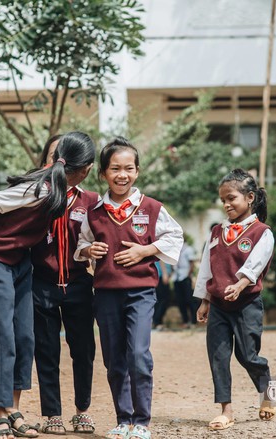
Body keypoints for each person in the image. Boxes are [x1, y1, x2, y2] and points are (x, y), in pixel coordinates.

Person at [0, 132, 96, 439]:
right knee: (4, 336)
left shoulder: (63, 190)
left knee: (25, 337)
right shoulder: (40, 189)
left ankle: (13, 410)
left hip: (20, 263)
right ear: (86, 168)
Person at [75, 137, 183, 439]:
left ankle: (142, 421)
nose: (122, 175)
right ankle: (123, 419)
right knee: (113, 359)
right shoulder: (94, 211)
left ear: (137, 171)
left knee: (138, 354)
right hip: (106, 293)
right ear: (103, 173)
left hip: (141, 292)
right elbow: (82, 242)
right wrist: (88, 250)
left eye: (129, 168)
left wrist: (144, 251)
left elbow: (175, 237)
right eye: (115, 169)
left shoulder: (151, 207)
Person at [193, 169, 276, 431]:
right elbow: (207, 266)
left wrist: (240, 284)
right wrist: (205, 299)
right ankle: (226, 410)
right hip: (219, 305)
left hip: (246, 305)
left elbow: (257, 263)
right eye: (223, 201)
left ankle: (267, 393)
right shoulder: (217, 232)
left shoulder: (262, 232)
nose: (227, 205)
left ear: (250, 197)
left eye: (232, 198)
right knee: (218, 356)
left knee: (248, 355)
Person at [30, 135, 99, 434]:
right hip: (40, 284)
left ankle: (82, 410)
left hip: (79, 284)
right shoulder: (33, 195)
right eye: (52, 154)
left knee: (83, 349)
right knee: (46, 350)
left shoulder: (92, 201)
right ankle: (52, 414)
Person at [173, 236, 199, 327]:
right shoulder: (175, 249)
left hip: (185, 276)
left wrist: (188, 275)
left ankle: (193, 321)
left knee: (189, 299)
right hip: (177, 277)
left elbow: (191, 263)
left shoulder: (188, 249)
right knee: (180, 301)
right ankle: (185, 320)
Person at [152, 260, 172, 330]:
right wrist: (165, 273)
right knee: (163, 300)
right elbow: (162, 259)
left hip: (160, 276)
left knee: (161, 300)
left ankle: (158, 322)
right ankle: (157, 322)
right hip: (160, 276)